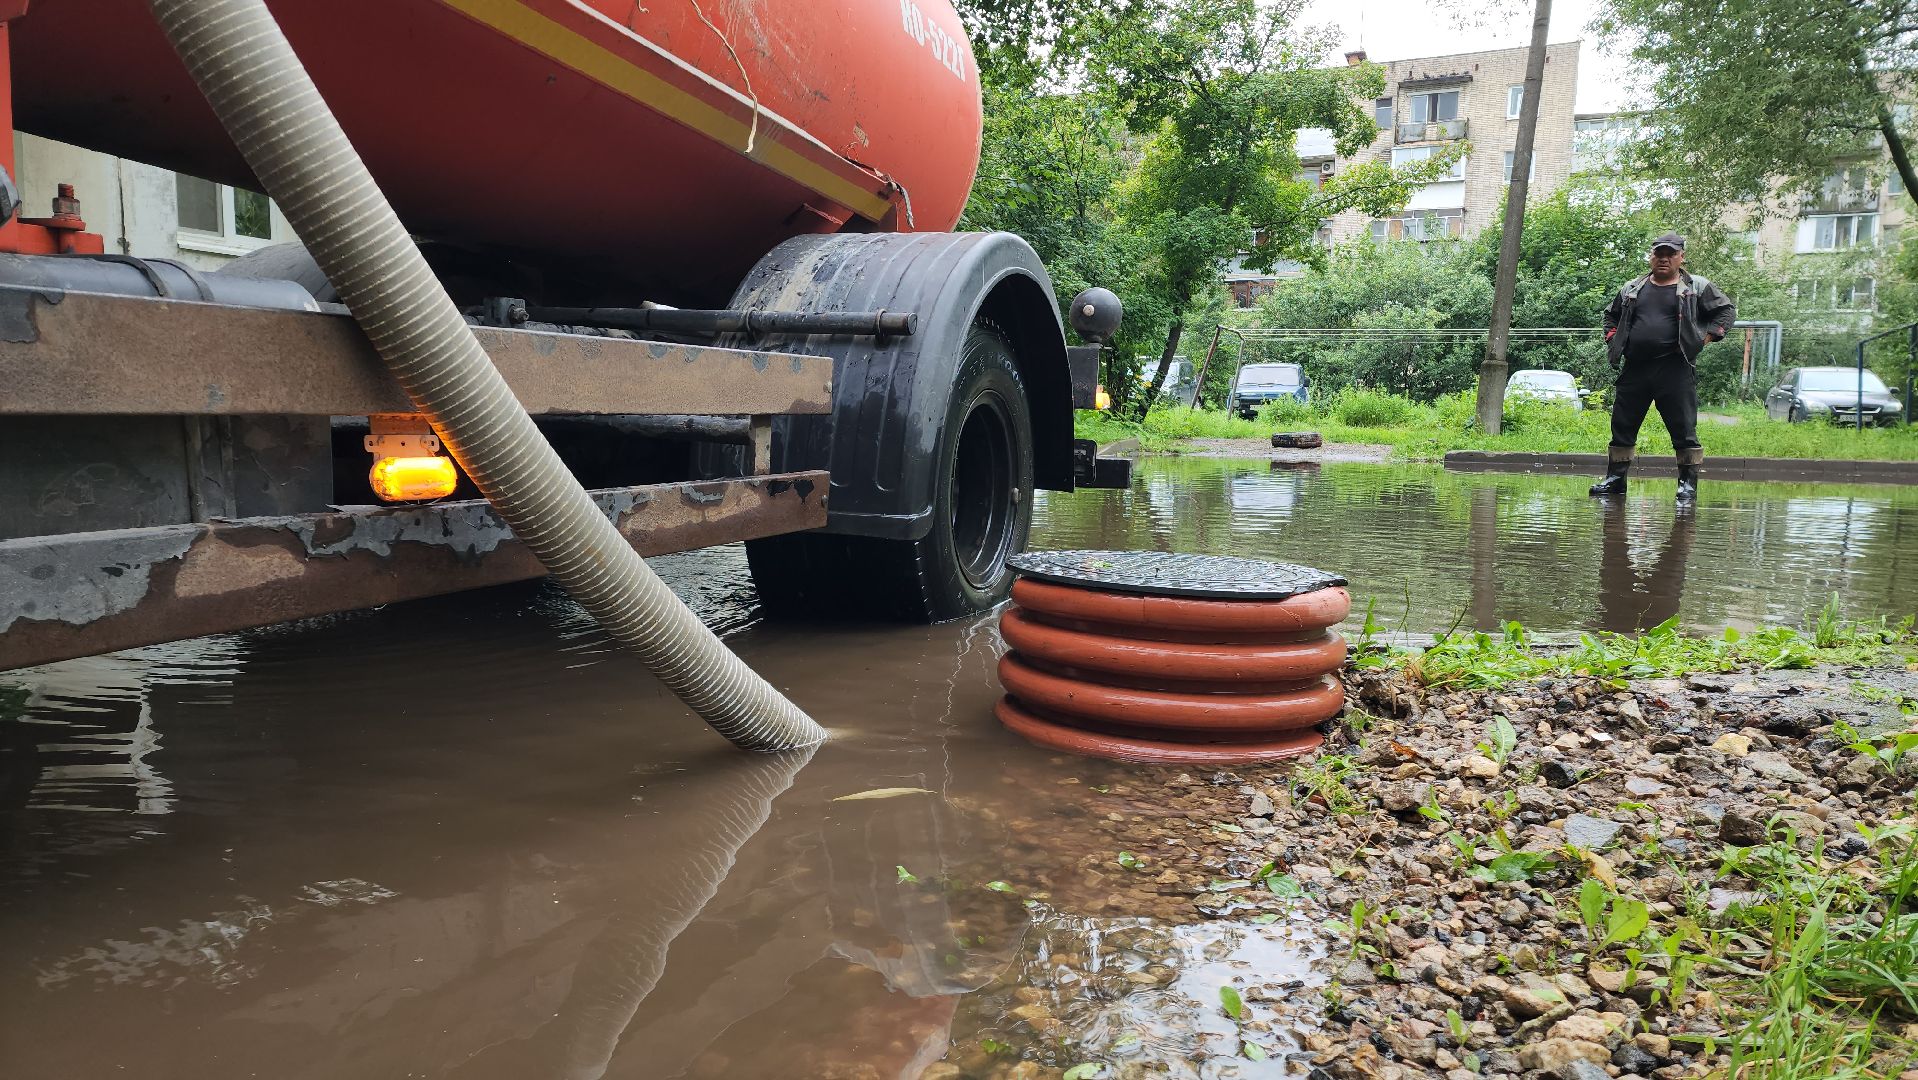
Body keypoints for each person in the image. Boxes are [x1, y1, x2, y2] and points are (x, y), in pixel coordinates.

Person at [1590, 232, 1736, 503]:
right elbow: (1611, 315)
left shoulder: (1696, 287)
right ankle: (1615, 480)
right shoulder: (1632, 288)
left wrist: (1704, 339)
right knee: (1622, 425)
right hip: (1635, 368)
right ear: (1651, 256)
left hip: (1676, 368)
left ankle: (1687, 484)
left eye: (1670, 254)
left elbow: (1725, 312)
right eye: (1659, 253)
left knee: (1683, 428)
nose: (1664, 259)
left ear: (1681, 257)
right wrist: (1613, 338)